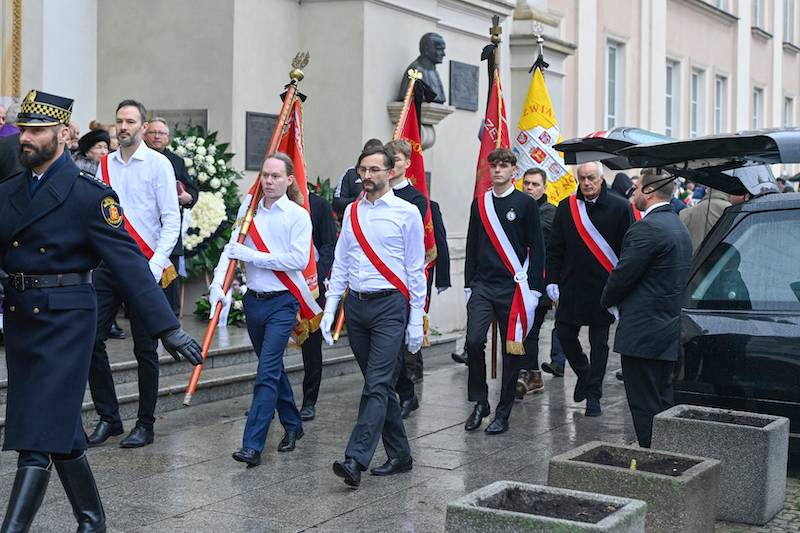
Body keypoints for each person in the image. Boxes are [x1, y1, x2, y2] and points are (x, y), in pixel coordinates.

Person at [0, 89, 201, 533]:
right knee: (61, 428)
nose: (25, 138)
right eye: (23, 130)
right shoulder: (9, 190)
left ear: (62, 134)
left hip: (67, 321)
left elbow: (128, 264)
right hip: (21, 320)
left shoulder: (88, 195)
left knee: (37, 436)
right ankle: (92, 521)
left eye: (36, 131)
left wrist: (167, 327)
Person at [320, 143, 426, 488]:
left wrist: (416, 319)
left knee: (377, 384)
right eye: (362, 170)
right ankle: (401, 455)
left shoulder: (407, 212)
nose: (366, 176)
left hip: (389, 306)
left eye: (374, 170)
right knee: (379, 386)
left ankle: (355, 458)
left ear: (390, 172)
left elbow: (415, 269)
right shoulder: (352, 211)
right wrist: (330, 308)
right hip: (356, 307)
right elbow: (341, 262)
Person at [86, 99, 182, 449]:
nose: (123, 127)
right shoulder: (105, 164)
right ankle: (109, 418)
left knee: (145, 348)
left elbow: (171, 218)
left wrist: (155, 265)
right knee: (91, 340)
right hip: (108, 266)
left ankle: (145, 423)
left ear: (143, 126)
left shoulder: (158, 164)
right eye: (119, 121)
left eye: (130, 121)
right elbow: (99, 214)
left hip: (145, 266)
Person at [209, 152, 316, 467]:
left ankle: (252, 446)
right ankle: (293, 425)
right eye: (265, 175)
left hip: (283, 302)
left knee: (266, 372)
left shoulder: (297, 216)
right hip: (253, 301)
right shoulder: (249, 210)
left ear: (289, 180)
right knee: (273, 369)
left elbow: (298, 259)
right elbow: (231, 251)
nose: (268, 181)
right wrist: (217, 285)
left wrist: (253, 257)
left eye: (275, 176)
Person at [601, 168, 693, 447]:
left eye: (638, 187)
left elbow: (623, 275)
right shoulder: (678, 225)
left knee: (644, 407)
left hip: (642, 334)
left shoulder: (647, 228)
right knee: (662, 403)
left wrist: (606, 300)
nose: (633, 193)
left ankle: (653, 459)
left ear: (649, 191)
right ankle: (668, 456)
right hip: (666, 331)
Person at [463, 148, 545, 434]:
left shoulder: (526, 204)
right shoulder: (480, 204)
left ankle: (503, 412)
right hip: (483, 285)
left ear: (513, 171)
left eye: (503, 166)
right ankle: (480, 401)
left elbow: (537, 248)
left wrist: (534, 290)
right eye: (494, 166)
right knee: (473, 342)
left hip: (514, 287)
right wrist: (468, 285)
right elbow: (472, 245)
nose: (497, 170)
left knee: (512, 352)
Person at [547, 161, 632, 417]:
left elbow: (627, 249)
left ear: (601, 178)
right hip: (571, 286)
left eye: (591, 178)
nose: (587, 183)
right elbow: (555, 248)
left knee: (599, 343)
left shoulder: (620, 207)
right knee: (564, 333)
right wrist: (552, 280)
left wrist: (622, 288)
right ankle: (583, 374)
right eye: (582, 178)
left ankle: (594, 395)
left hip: (603, 288)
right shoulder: (567, 207)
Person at [385, 139, 428, 419]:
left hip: (401, 279)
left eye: (397, 160)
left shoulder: (415, 200)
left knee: (400, 347)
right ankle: (395, 394)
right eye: (388, 160)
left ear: (407, 163)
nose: (392, 165)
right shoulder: (373, 195)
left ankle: (405, 394)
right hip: (376, 280)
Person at [144, 117, 199, 316]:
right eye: (153, 132)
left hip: (168, 230)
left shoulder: (176, 161)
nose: (157, 136)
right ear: (145, 134)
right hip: (142, 230)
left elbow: (192, 190)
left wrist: (187, 197)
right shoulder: (139, 158)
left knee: (170, 281)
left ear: (168, 138)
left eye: (162, 133)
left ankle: (171, 319)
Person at [515, 168, 559, 397]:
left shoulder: (550, 212)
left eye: (535, 184)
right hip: (516, 281)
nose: (530, 188)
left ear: (544, 187)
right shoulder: (517, 208)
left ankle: (526, 374)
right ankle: (533, 375)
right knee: (519, 330)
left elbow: (533, 234)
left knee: (531, 331)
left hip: (539, 282)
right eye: (527, 184)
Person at [298, 189, 338, 422]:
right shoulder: (269, 204)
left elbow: (328, 245)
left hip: (311, 286)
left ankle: (309, 401)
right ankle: (268, 401)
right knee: (271, 350)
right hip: (279, 284)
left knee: (312, 349)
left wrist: (316, 276)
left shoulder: (318, 205)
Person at [332, 138, 383, 217]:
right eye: (367, 155)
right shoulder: (350, 173)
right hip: (354, 218)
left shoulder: (385, 175)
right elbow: (337, 203)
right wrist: (357, 200)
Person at [398, 33, 447, 104]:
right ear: (426, 49)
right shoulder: (415, 70)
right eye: (439, 49)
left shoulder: (435, 72)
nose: (443, 54)